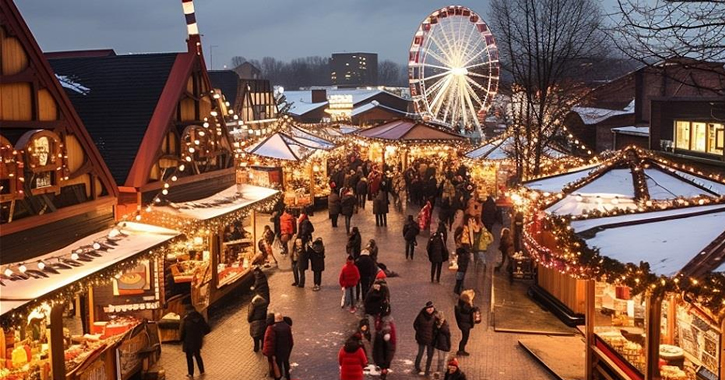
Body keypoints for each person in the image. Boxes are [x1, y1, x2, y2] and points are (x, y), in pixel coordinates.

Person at [180, 307, 210, 378]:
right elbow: (207, 329)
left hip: (188, 342)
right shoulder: (200, 318)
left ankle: (190, 373)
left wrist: (181, 339)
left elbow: (182, 332)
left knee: (189, 358)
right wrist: (201, 335)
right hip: (197, 341)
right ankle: (202, 371)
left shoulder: (186, 320)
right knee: (197, 355)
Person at [263, 313, 294, 380]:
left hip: (277, 351)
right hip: (286, 349)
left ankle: (278, 377)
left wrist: (269, 353)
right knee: (286, 362)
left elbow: (270, 342)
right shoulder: (287, 326)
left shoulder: (272, 328)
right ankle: (287, 376)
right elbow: (290, 340)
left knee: (277, 365)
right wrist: (289, 348)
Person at [413, 301, 437, 376]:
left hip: (431, 339)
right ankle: (417, 366)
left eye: (431, 308)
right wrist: (419, 331)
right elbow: (415, 324)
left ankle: (427, 369)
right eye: (429, 308)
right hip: (422, 338)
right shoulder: (421, 315)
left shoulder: (436, 315)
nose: (430, 309)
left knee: (430, 355)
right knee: (420, 353)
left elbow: (438, 326)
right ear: (426, 309)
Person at [372, 315, 397, 380]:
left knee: (382, 354)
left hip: (384, 342)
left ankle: (384, 368)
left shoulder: (385, 325)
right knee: (383, 355)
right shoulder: (386, 323)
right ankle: (384, 367)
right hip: (385, 342)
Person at [454, 289, 476, 356]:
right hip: (465, 325)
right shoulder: (465, 307)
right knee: (465, 338)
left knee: (464, 337)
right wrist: (472, 310)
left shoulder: (461, 305)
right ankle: (461, 350)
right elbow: (467, 313)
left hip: (464, 324)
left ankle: (461, 350)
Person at [433, 312, 452, 377]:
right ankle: (440, 371)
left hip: (443, 344)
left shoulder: (443, 326)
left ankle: (440, 371)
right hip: (440, 344)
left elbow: (448, 336)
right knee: (441, 359)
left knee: (442, 359)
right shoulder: (441, 324)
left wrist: (449, 345)